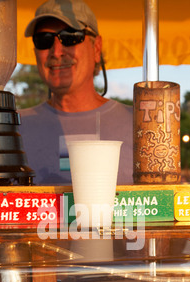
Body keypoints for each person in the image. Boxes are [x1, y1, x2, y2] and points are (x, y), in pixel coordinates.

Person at [20, 0, 133, 185]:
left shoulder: (140, 128)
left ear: (96, 48)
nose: (56, 52)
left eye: (70, 36)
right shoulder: (14, 130)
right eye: (44, 40)